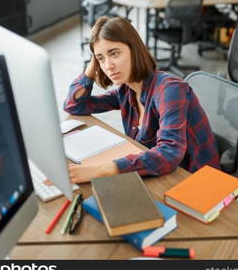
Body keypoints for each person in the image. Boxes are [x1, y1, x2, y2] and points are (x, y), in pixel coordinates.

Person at [64, 16, 219, 183]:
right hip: (159, 173)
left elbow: (169, 153)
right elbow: (75, 106)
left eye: (114, 53)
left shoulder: (170, 89)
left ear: (134, 49)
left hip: (195, 179)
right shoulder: (126, 91)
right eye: (101, 58)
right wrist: (90, 70)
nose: (108, 66)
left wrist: (102, 169)